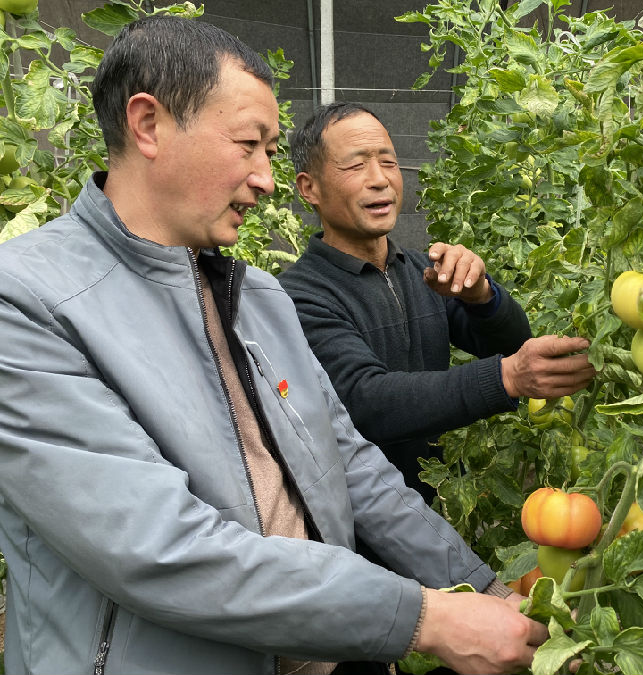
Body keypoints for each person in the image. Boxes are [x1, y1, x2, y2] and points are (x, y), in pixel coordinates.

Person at [0, 16, 549, 675]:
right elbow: (156, 546)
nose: (265, 178)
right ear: (148, 125)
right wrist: (423, 619)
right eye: (247, 145)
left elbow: (350, 464)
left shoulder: (257, 297)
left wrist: (482, 589)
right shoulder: (27, 300)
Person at [278, 102, 597, 503]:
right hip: (354, 519)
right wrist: (506, 378)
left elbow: (511, 343)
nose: (380, 180)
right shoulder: (297, 295)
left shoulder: (421, 272)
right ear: (309, 188)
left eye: (389, 162)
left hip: (431, 511)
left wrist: (483, 297)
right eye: (356, 166)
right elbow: (365, 400)